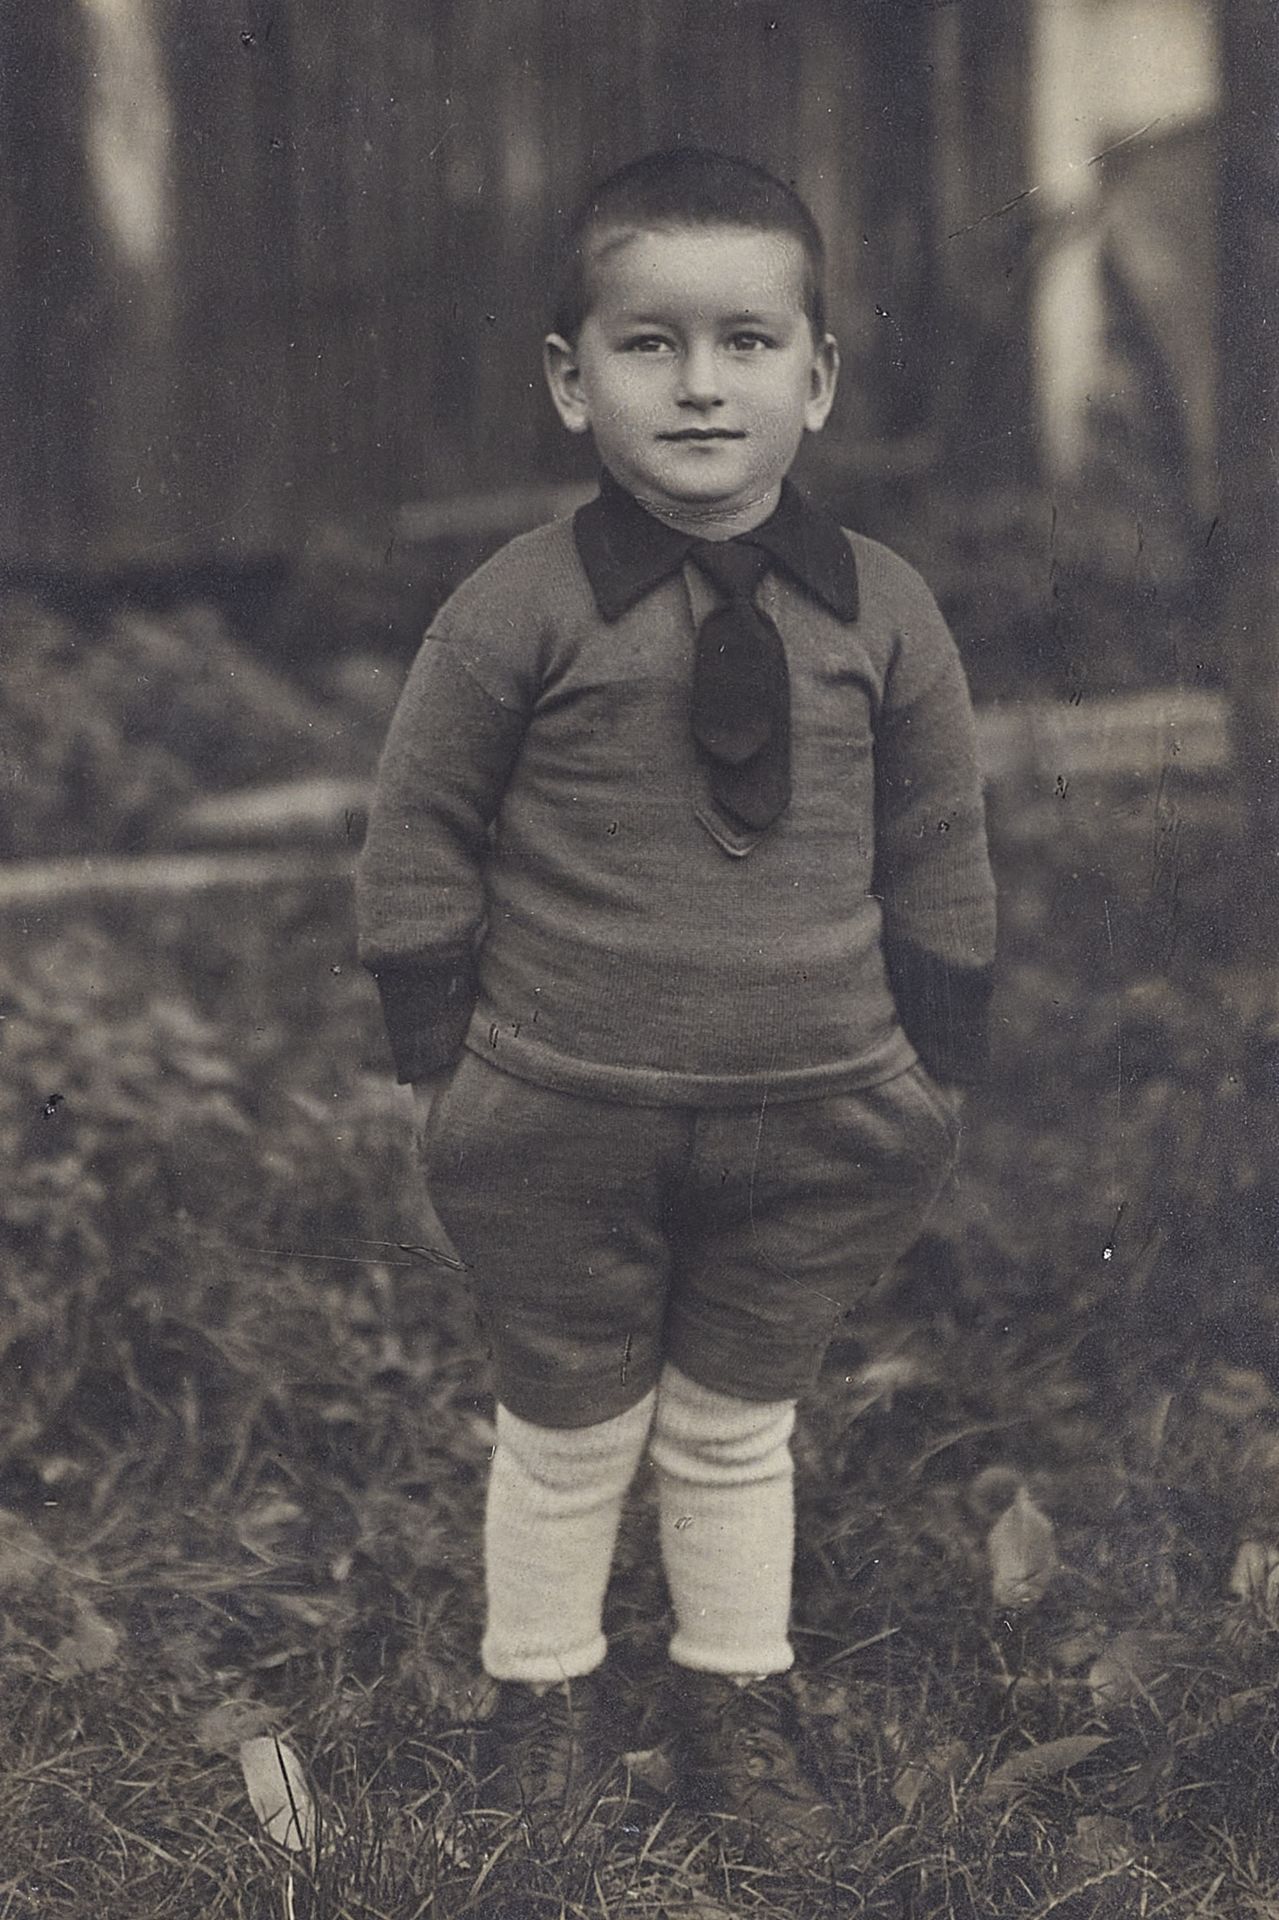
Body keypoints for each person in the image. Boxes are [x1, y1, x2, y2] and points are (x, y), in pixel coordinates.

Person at [356, 148, 996, 1861]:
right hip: (559, 1103)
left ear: (819, 374)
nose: (702, 384)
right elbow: (420, 826)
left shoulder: (888, 613)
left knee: (734, 1423)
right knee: (566, 1421)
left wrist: (934, 1062)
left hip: (822, 1108)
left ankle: (738, 1701)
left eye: (746, 340)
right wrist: (442, 1062)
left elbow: (938, 838)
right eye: (648, 344)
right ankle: (542, 1703)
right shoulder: (516, 609)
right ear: (571, 381)